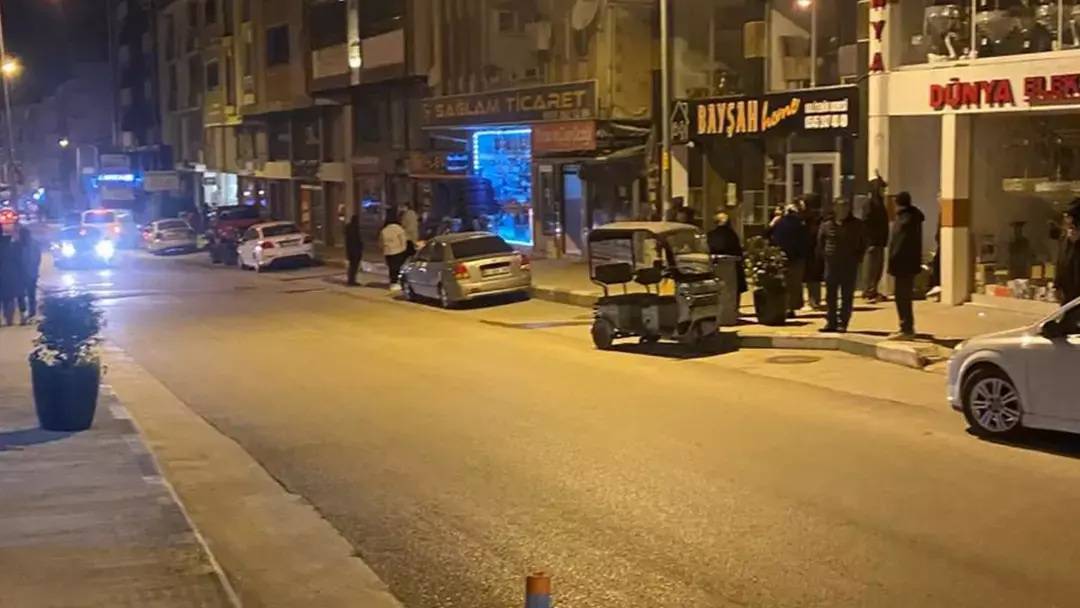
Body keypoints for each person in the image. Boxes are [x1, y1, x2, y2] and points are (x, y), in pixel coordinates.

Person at [817, 197, 867, 333]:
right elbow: (820, 243)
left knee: (847, 295)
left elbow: (863, 243)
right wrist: (825, 256)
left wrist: (857, 257)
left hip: (849, 265)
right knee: (830, 295)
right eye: (840, 207)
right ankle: (831, 321)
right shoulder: (826, 225)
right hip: (831, 265)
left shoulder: (857, 225)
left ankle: (843, 322)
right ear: (834, 208)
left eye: (845, 207)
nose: (843, 210)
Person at [888, 191, 925, 340]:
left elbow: (899, 244)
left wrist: (892, 261)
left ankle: (906, 328)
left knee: (902, 297)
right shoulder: (912, 217)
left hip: (903, 264)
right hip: (909, 263)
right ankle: (906, 326)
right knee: (903, 296)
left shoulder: (905, 220)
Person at [769, 204, 809, 317]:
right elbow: (806, 241)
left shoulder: (779, 223)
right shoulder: (801, 224)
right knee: (795, 284)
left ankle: (784, 307)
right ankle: (791, 307)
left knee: (784, 283)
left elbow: (767, 235)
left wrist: (772, 224)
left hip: (781, 257)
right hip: (797, 258)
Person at [863, 176, 890, 302]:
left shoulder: (880, 203)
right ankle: (869, 291)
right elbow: (866, 222)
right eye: (881, 189)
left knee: (878, 267)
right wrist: (870, 239)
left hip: (880, 241)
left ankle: (873, 289)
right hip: (872, 241)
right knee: (871, 267)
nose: (883, 191)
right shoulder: (870, 203)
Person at [706, 211, 747, 294]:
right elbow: (738, 252)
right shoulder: (732, 235)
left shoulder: (710, 235)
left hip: (715, 268)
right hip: (731, 270)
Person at [801, 194, 825, 310]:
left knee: (812, 276)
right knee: (813, 276)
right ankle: (814, 300)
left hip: (812, 250)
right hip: (814, 249)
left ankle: (814, 300)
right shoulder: (819, 217)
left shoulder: (810, 218)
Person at [1057, 202, 1080, 305]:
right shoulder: (1065, 243)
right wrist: (1057, 285)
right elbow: (1060, 264)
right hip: (1067, 297)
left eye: (1073, 228)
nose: (1070, 232)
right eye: (1069, 228)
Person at [17, 226, 41, 323]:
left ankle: (25, 314)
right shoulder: (34, 244)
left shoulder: (17, 244)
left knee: (21, 295)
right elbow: (38, 258)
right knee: (31, 294)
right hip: (31, 273)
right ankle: (31, 314)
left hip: (21, 274)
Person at [0, 231, 24, 327]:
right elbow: (20, 261)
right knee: (11, 297)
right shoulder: (14, 247)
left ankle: (6, 317)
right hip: (13, 275)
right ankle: (9, 318)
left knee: (4, 298)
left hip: (2, 275)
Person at [379, 217, 409, 289]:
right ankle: (397, 282)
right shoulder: (399, 229)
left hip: (387, 252)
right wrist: (403, 249)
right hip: (398, 251)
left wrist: (383, 249)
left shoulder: (384, 230)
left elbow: (380, 242)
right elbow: (403, 240)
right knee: (398, 267)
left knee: (391, 267)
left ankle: (392, 282)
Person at [344, 214, 364, 286]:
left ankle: (351, 280)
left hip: (350, 250)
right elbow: (357, 240)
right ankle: (352, 281)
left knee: (351, 266)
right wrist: (361, 247)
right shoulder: (355, 228)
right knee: (354, 266)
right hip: (355, 251)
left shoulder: (348, 228)